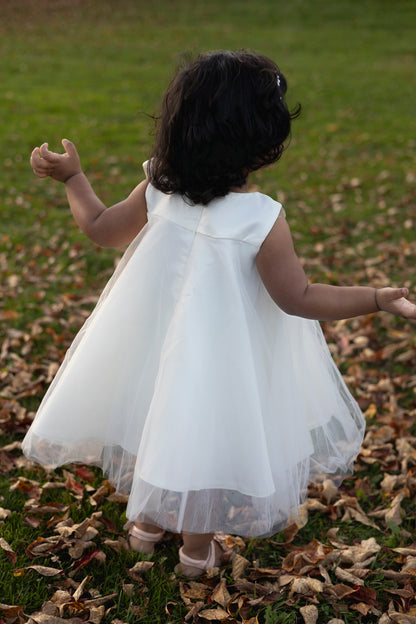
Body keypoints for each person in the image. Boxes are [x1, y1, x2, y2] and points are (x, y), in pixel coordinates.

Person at [23, 50, 416, 578]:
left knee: (153, 411)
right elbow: (298, 297)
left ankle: (146, 526)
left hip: (149, 337)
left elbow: (99, 227)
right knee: (196, 433)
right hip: (214, 357)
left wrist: (74, 178)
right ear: (259, 143)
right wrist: (375, 297)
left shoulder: (160, 186)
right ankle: (196, 552)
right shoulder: (261, 217)